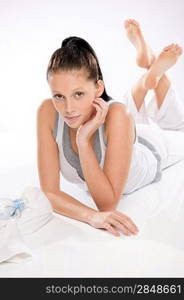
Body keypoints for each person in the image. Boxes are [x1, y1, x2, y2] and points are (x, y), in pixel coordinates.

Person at [37, 19, 184, 237]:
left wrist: (83, 141)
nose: (68, 109)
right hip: (119, 132)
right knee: (126, 113)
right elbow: (49, 191)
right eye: (59, 96)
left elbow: (107, 204)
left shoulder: (117, 115)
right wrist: (89, 216)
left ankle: (151, 70)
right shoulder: (48, 112)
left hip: (149, 150)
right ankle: (149, 74)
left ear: (98, 88)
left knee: (177, 129)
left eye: (78, 94)